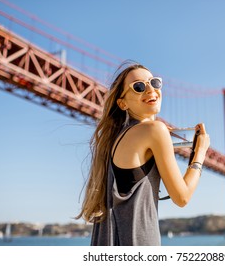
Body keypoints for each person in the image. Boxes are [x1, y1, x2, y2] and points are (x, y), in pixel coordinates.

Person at [76, 61, 210, 246]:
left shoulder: (113, 139)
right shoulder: (155, 130)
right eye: (138, 87)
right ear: (122, 103)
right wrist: (200, 152)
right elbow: (182, 197)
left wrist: (161, 141)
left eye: (154, 82)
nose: (150, 90)